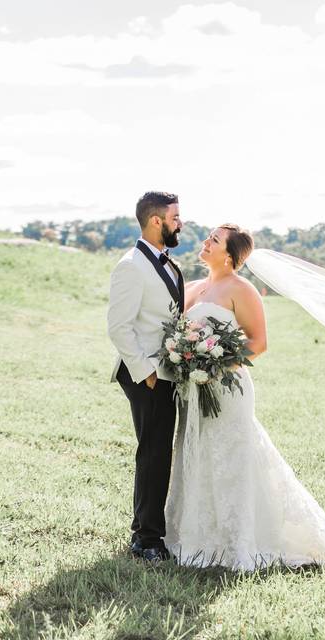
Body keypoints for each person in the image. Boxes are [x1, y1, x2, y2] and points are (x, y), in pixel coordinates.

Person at [163, 224, 325, 570]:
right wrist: (187, 357)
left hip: (227, 388)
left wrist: (214, 363)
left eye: (214, 240)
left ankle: (237, 537)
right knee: (196, 454)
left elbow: (258, 343)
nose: (205, 242)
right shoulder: (194, 287)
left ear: (229, 255)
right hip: (193, 392)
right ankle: (195, 535)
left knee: (231, 456)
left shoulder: (241, 290)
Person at [107, 191, 184, 562]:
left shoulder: (166, 263)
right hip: (147, 375)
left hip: (167, 373)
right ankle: (146, 540)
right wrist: (147, 372)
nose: (180, 223)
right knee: (153, 454)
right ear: (157, 221)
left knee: (159, 453)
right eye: (175, 217)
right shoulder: (131, 266)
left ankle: (149, 531)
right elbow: (119, 327)